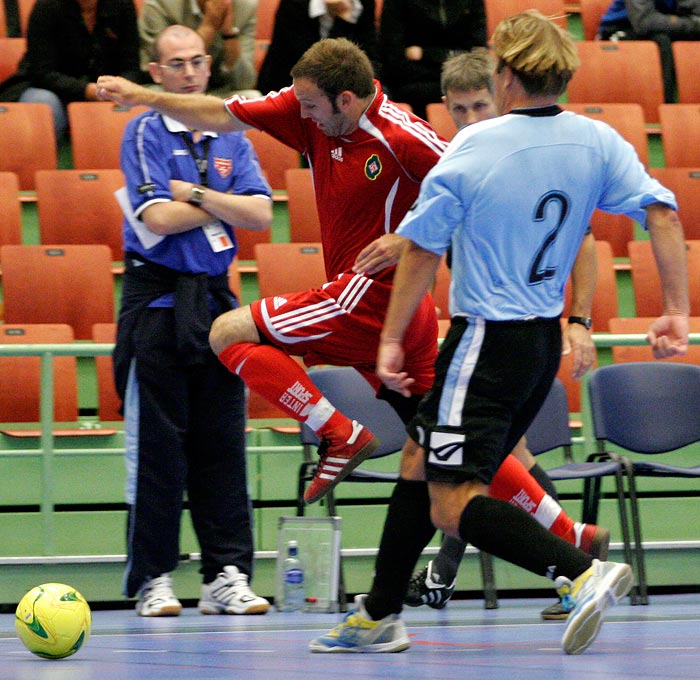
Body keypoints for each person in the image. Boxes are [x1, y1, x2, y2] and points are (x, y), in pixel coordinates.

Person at [96, 36, 612, 599]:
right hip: (395, 319)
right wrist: (143, 95)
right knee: (440, 442)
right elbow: (219, 113)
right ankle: (571, 535)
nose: (303, 115)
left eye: (313, 106)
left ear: (346, 100)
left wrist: (404, 236)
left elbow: (483, 193)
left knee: (227, 333)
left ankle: (338, 431)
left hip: (366, 300)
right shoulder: (306, 108)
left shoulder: (402, 136)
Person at [311, 10, 689, 655]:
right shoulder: (597, 141)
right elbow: (661, 213)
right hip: (539, 346)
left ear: (506, 74)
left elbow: (424, 250)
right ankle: (378, 614)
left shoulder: (473, 146)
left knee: (451, 503)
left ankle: (578, 570)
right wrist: (675, 307)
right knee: (418, 457)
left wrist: (390, 338)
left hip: (484, 342)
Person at [405, 47, 602, 622]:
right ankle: (571, 548)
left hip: (513, 336)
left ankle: (572, 556)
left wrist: (581, 320)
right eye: (460, 109)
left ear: (504, 99)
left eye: (480, 106)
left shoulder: (528, 157)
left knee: (456, 465)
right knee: (474, 463)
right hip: (479, 331)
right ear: (445, 108)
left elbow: (586, 240)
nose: (471, 120)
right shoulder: (455, 160)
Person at [115, 24, 272, 617]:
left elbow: (259, 213)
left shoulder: (235, 135)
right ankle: (154, 577)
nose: (188, 72)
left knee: (221, 446)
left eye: (196, 62)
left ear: (210, 68)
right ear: (155, 74)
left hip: (215, 306)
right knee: (159, 453)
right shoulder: (144, 132)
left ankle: (225, 575)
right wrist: (214, 202)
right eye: (175, 64)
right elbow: (154, 217)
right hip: (156, 305)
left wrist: (200, 196)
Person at [0, 0, 140, 140]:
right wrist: (87, 90)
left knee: (137, 100)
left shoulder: (123, 5)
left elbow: (131, 65)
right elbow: (41, 72)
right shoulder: (46, 7)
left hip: (106, 89)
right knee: (44, 102)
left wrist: (120, 88)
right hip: (50, 87)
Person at [378, 0, 487, 119]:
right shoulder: (397, 4)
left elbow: (477, 52)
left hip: (461, 75)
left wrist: (425, 54)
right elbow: (393, 56)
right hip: (413, 81)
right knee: (415, 92)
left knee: (478, 89)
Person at [139, 0, 260, 97]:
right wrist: (209, 26)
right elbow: (150, 72)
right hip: (170, 92)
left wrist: (229, 35)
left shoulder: (245, 6)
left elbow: (245, 82)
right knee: (148, 99)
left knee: (252, 97)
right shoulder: (160, 4)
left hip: (217, 92)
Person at [257, 0, 378, 94]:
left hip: (346, 87)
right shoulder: (294, 4)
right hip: (290, 85)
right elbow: (315, 65)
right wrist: (342, 20)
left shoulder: (362, 3)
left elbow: (370, 55)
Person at [598, 0, 700, 102]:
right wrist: (691, 23)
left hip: (666, 28)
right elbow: (644, 22)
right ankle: (664, 105)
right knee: (661, 41)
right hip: (620, 29)